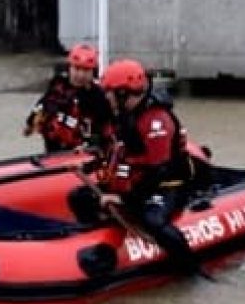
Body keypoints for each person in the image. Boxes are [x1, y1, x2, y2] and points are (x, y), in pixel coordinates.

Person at [77, 59, 210, 272]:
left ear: (122, 93)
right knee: (80, 197)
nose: (107, 97)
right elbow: (114, 146)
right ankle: (96, 239)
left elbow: (159, 171)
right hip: (138, 181)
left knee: (154, 220)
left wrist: (123, 198)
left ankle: (192, 270)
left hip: (167, 185)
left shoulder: (156, 121)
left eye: (110, 92)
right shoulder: (125, 115)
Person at [23, 43, 112, 152]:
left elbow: (106, 126)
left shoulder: (97, 95)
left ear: (93, 72)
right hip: (54, 148)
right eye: (77, 69)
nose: (81, 75)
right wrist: (30, 123)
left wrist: (92, 146)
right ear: (69, 67)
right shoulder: (58, 86)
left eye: (86, 70)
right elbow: (42, 104)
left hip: (83, 152)